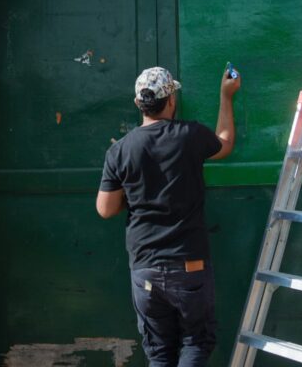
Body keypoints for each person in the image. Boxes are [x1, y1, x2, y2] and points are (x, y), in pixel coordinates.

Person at [96, 65, 241, 366]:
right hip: (190, 266)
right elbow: (224, 143)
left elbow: (106, 208)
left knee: (160, 352)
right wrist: (225, 96)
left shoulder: (120, 151)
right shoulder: (191, 135)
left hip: (146, 269)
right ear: (171, 100)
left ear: (139, 104)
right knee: (194, 344)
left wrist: (135, 195)